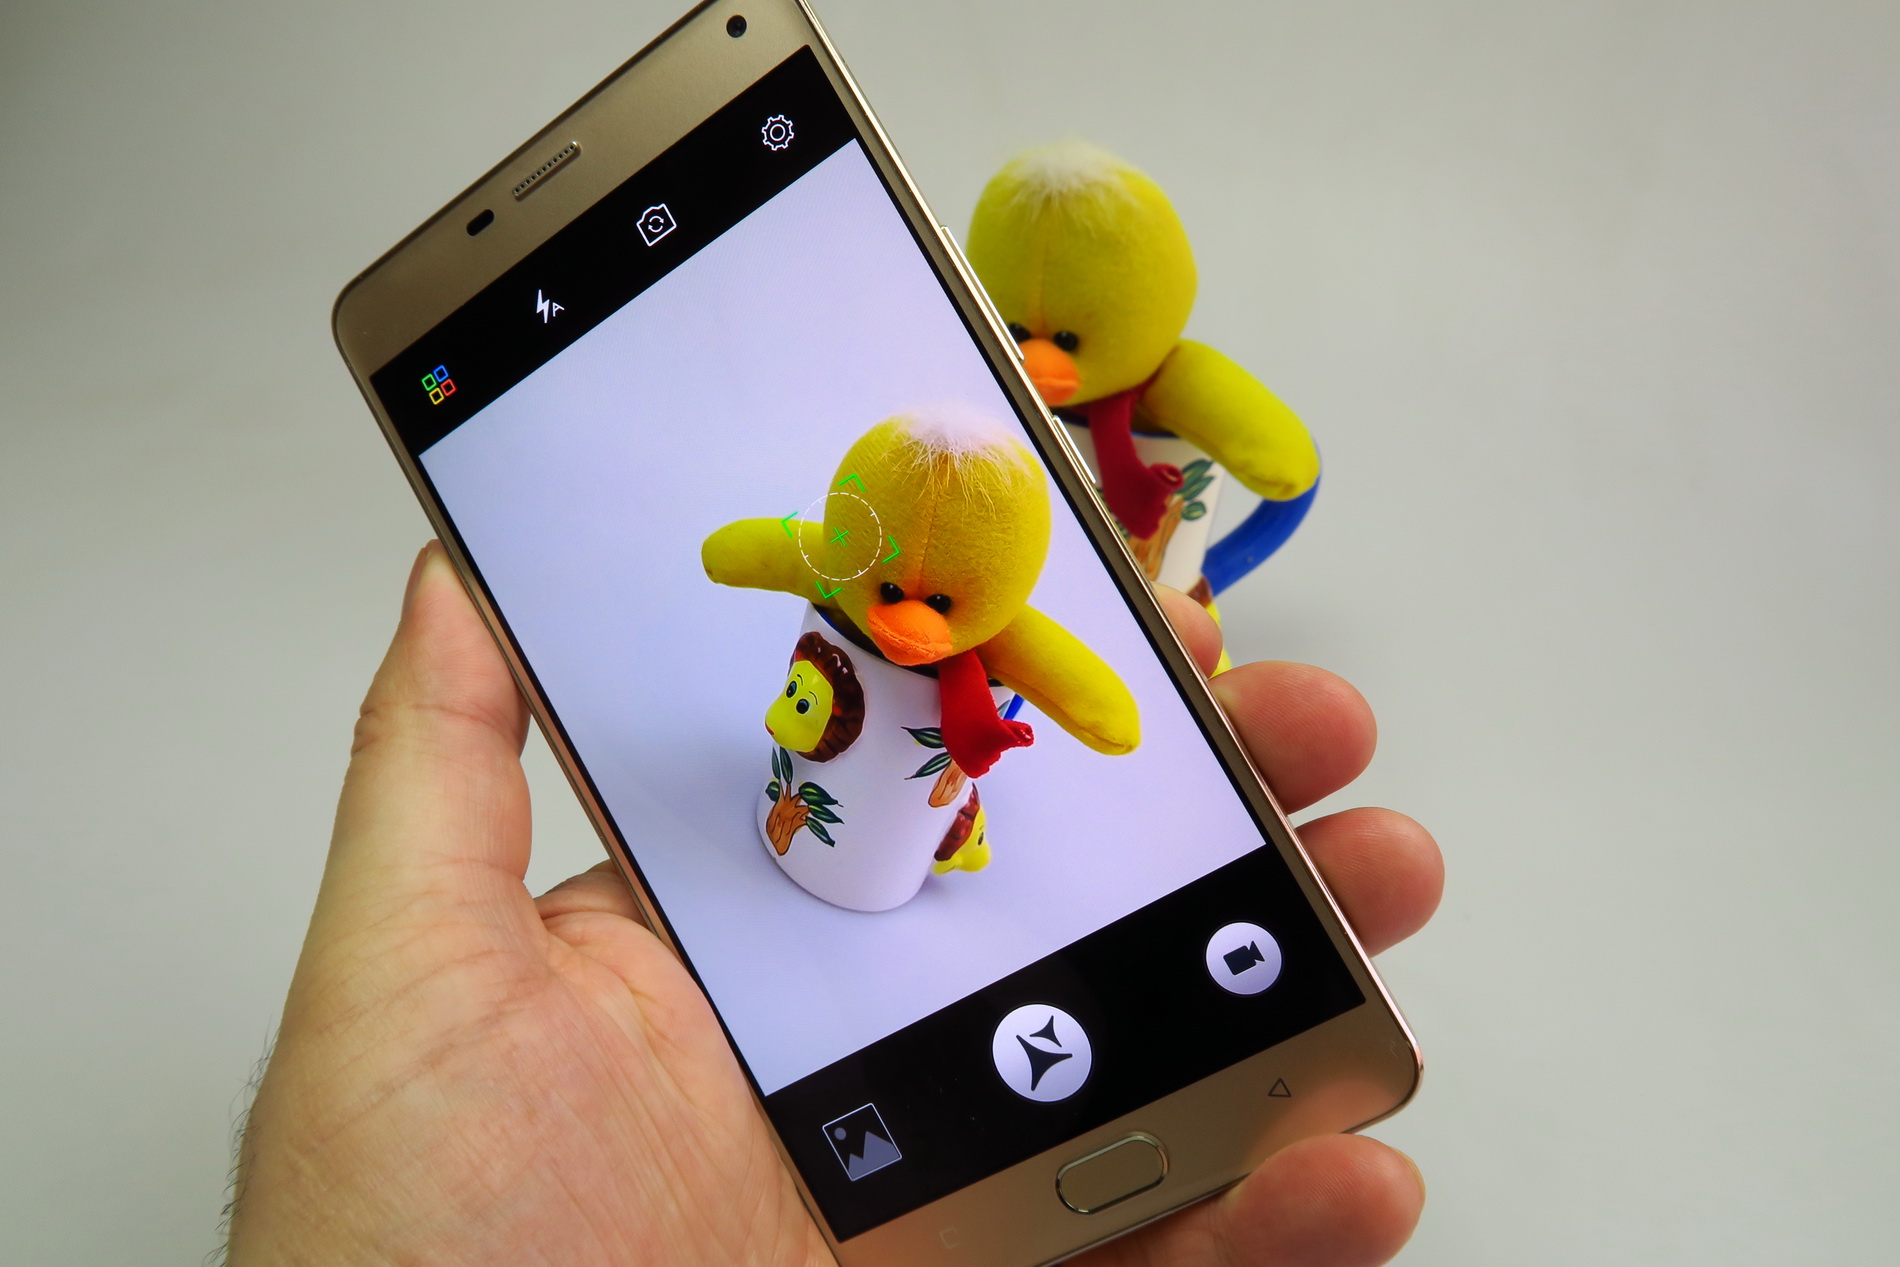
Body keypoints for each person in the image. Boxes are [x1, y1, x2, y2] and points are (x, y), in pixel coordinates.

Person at [224, 542, 1443, 1265]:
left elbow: (1101, 703)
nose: (906, 612)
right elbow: (746, 550)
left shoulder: (986, 642)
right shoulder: (831, 577)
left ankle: (952, 833)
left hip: (886, 857)